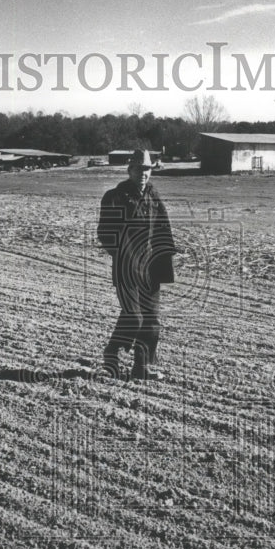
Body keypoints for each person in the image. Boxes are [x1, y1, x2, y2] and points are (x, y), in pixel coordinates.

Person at [96, 149, 176, 380]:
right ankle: (112, 353)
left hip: (150, 268)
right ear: (130, 170)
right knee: (134, 317)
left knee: (151, 322)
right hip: (126, 268)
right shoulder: (115, 197)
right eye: (139, 169)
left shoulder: (153, 196)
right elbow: (105, 232)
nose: (143, 174)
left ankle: (141, 369)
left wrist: (164, 259)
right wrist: (122, 254)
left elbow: (163, 228)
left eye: (147, 170)